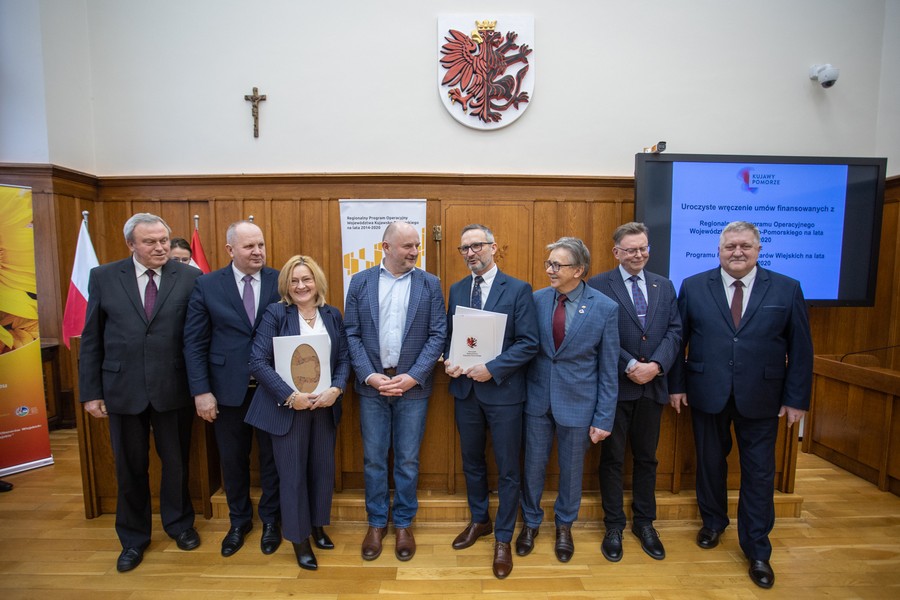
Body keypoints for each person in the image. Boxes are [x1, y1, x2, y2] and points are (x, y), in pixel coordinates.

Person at [669, 220, 813, 589]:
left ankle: (757, 548)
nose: (737, 252)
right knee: (710, 464)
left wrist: (797, 398)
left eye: (745, 246)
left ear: (758, 250)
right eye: (730, 246)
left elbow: (801, 349)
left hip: (763, 398)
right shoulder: (693, 286)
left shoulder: (786, 288)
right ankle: (713, 523)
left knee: (760, 474)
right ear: (718, 251)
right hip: (706, 392)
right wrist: (676, 386)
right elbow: (678, 340)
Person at [79, 213, 203, 573]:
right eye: (150, 242)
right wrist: (91, 392)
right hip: (122, 389)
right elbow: (92, 339)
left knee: (176, 463)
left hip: (173, 387)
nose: (160, 247)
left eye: (163, 240)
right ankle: (133, 539)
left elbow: (197, 336)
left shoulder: (190, 277)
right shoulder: (103, 277)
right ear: (131, 244)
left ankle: (179, 524)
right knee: (130, 467)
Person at [344, 221, 446, 562]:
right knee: (374, 459)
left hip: (412, 389)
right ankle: (376, 523)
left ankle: (403, 523)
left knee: (407, 460)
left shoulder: (430, 284)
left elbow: (438, 334)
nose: (415, 251)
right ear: (386, 247)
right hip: (372, 387)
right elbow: (351, 333)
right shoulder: (360, 282)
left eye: (417, 245)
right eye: (407, 246)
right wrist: (369, 375)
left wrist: (414, 376)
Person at [443, 224, 538, 579]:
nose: (470, 253)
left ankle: (503, 538)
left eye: (476, 246)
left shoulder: (518, 289)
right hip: (465, 392)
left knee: (508, 468)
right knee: (472, 462)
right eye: (464, 248)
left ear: (493, 247)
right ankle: (480, 520)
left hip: (504, 394)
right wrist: (448, 360)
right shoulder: (457, 289)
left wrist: (492, 369)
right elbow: (452, 337)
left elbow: (529, 343)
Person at [517, 237, 619, 563]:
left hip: (579, 403)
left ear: (578, 270)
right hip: (537, 400)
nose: (549, 270)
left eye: (557, 265)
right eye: (549, 263)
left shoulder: (605, 308)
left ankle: (564, 526)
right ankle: (530, 523)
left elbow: (608, 369)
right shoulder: (535, 300)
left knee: (572, 471)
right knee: (532, 466)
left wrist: (604, 418)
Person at [183, 221, 282, 558]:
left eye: (260, 245)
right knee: (233, 459)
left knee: (271, 459)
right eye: (249, 246)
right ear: (230, 250)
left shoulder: (280, 280)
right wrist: (201, 391)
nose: (257, 252)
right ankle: (239, 522)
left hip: (272, 389)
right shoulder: (207, 284)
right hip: (226, 391)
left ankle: (271, 521)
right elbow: (195, 343)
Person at [245, 255, 350, 571]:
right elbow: (257, 361)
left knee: (322, 471)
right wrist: (290, 397)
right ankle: (299, 538)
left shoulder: (332, 314)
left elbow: (344, 359)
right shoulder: (276, 313)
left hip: (323, 407)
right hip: (289, 410)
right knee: (292, 477)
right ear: (286, 286)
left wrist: (337, 389)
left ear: (317, 281)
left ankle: (317, 525)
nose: (301, 286)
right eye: (294, 281)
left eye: (306, 279)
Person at [587, 222, 682, 562]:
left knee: (647, 458)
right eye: (631, 249)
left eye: (643, 248)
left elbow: (675, 331)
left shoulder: (664, 285)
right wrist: (629, 365)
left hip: (653, 388)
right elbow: (596, 335)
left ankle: (645, 523)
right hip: (615, 389)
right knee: (612, 459)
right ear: (617, 252)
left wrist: (655, 366)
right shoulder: (598, 285)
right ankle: (613, 525)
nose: (638, 254)